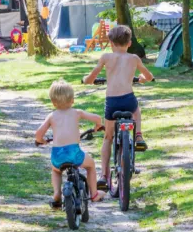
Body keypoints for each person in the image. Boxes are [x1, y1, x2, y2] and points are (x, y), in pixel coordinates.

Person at [82, 24, 154, 190]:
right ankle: (138, 136)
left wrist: (87, 80)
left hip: (112, 102)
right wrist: (143, 78)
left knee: (108, 138)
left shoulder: (106, 57)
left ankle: (104, 175)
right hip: (128, 99)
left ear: (111, 43)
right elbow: (149, 76)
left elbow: (92, 76)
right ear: (129, 43)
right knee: (136, 110)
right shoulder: (134, 58)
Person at [35, 79, 105, 207]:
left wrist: (42, 141)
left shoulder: (51, 116)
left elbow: (38, 134)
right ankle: (94, 194)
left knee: (56, 171)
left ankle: (57, 193)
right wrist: (98, 126)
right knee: (90, 165)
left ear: (53, 102)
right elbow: (97, 118)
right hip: (74, 153)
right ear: (72, 100)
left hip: (57, 155)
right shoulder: (76, 113)